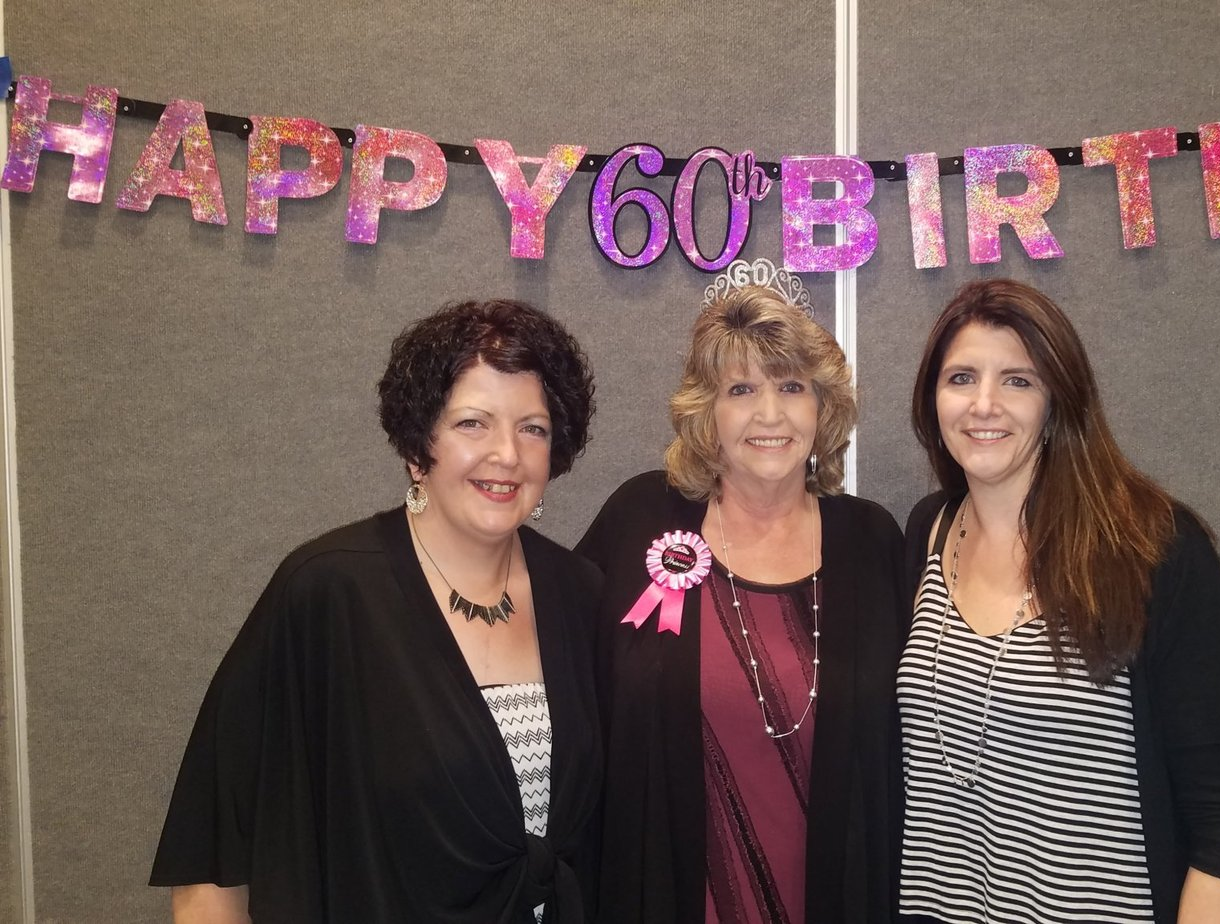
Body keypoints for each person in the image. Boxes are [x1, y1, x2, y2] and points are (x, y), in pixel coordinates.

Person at [151, 299, 604, 924]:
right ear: (419, 445)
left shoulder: (580, 595)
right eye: (473, 423)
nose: (507, 453)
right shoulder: (328, 592)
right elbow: (215, 853)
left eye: (533, 428)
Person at [897, 279, 1220, 924]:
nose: (983, 404)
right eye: (961, 378)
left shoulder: (1153, 548)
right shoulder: (928, 532)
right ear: (933, 400)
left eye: (1018, 380)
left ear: (1058, 401)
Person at [576, 265, 903, 924]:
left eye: (791, 386)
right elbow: (568, 680)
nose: (769, 414)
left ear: (823, 407)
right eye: (741, 389)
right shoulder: (641, 518)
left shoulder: (872, 541)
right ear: (707, 410)